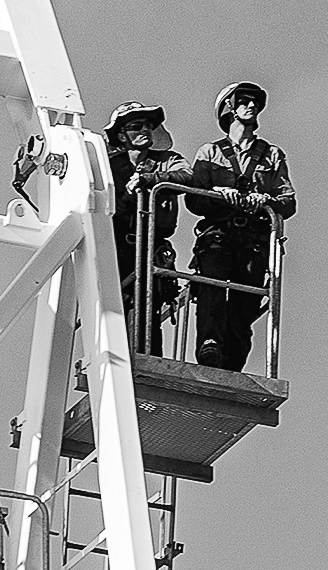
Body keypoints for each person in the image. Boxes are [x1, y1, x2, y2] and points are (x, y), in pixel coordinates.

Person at [182, 80, 294, 373]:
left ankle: (232, 367)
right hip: (217, 236)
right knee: (212, 292)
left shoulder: (272, 155)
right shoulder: (209, 152)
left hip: (253, 241)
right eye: (244, 100)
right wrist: (218, 195)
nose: (252, 105)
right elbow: (194, 201)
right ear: (229, 108)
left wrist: (266, 199)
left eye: (254, 101)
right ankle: (210, 349)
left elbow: (288, 201)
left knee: (244, 309)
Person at [104, 104, 186, 352]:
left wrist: (151, 179)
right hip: (117, 248)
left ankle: (146, 356)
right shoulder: (108, 166)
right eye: (136, 126)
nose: (145, 130)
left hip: (149, 247)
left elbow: (186, 175)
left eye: (149, 126)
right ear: (121, 135)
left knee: (147, 308)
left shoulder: (166, 161)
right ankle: (117, 360)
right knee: (115, 309)